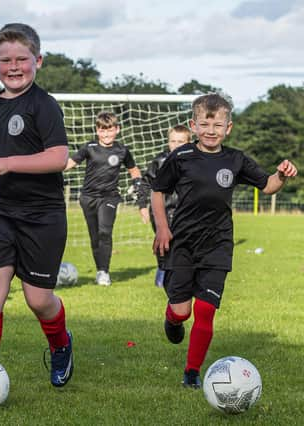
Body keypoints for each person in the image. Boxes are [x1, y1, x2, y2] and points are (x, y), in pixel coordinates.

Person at [151, 93, 298, 388]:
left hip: (218, 244)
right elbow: (157, 190)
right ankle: (172, 319)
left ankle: (192, 373)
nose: (211, 130)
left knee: (205, 311)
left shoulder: (235, 159)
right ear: (193, 125)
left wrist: (282, 174)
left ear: (228, 128)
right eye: (205, 123)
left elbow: (268, 186)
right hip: (182, 242)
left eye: (218, 125)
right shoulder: (180, 157)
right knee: (183, 310)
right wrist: (163, 228)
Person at [0, 23, 73, 388]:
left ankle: (61, 344)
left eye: (22, 59)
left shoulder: (45, 105)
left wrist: (4, 165)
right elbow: (0, 153)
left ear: (37, 61)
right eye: (5, 60)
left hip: (43, 217)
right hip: (3, 214)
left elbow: (58, 157)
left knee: (38, 301)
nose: (14, 66)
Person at [66, 111, 146, 286]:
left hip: (109, 197)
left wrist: (138, 185)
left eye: (110, 130)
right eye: (102, 130)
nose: (106, 134)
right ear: (97, 130)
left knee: (104, 232)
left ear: (117, 129)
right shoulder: (89, 147)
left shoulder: (122, 150)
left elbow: (134, 170)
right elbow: (70, 163)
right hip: (87, 198)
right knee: (95, 236)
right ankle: (99, 269)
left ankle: (104, 272)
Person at [138, 125, 191, 287]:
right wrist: (142, 206)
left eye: (181, 142)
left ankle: (183, 277)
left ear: (189, 143)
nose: (176, 145)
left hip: (185, 211)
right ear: (168, 142)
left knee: (185, 246)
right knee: (163, 244)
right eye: (173, 141)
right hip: (162, 211)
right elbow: (146, 183)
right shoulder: (159, 161)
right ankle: (161, 274)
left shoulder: (195, 162)